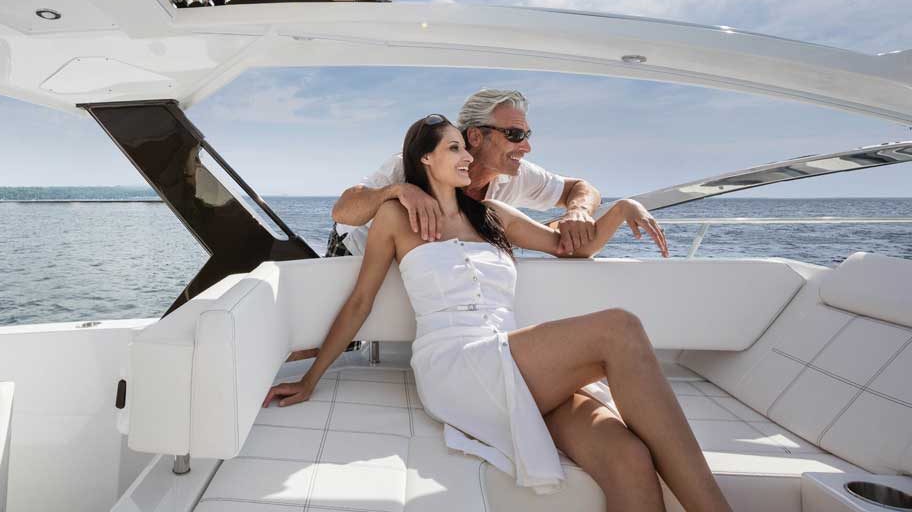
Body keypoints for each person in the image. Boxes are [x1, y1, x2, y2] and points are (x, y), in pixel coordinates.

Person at [266, 115, 730, 512]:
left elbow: (570, 246)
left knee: (628, 456)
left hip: (512, 360)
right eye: (454, 148)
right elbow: (359, 302)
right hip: (456, 364)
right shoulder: (395, 217)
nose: (467, 157)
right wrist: (311, 378)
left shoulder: (492, 214)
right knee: (620, 329)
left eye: (465, 149)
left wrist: (621, 208)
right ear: (425, 158)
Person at [326, 89, 668, 259]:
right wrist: (397, 190)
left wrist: (578, 211)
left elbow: (580, 187)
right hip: (356, 253)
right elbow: (344, 211)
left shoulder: (514, 178)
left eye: (527, 136)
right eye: (515, 136)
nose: (526, 147)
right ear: (476, 136)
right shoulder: (410, 164)